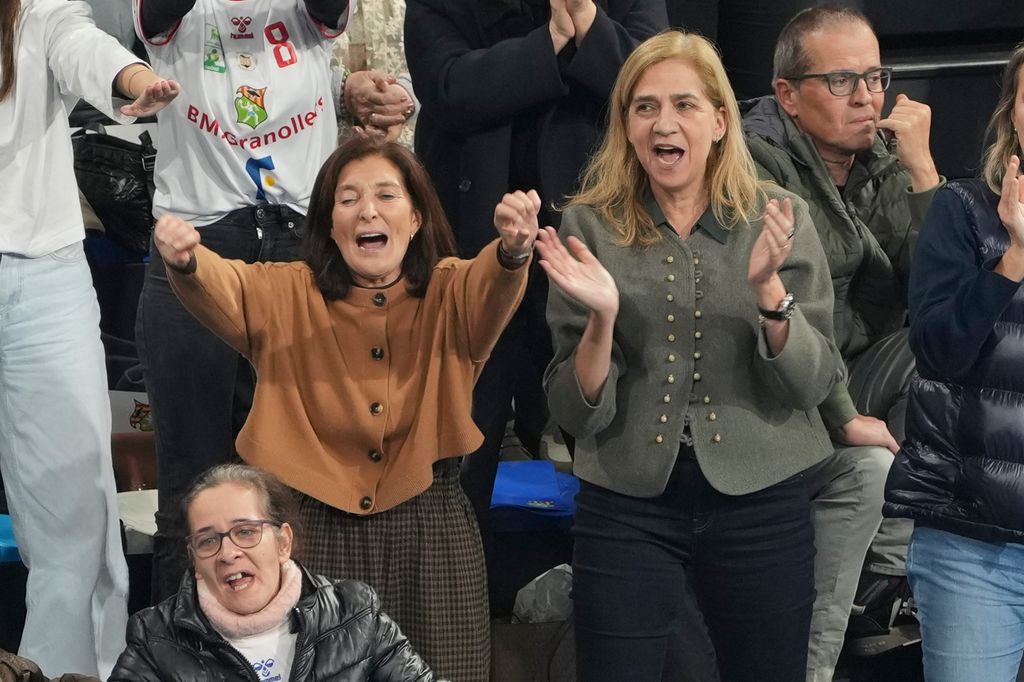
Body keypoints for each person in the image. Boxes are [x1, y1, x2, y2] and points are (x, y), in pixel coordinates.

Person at [147, 136, 535, 680]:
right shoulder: (288, 291)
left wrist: (513, 251)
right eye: (348, 199)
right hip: (314, 530)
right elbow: (229, 286)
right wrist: (188, 261)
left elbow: (489, 282)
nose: (367, 211)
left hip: (431, 536)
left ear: (417, 217)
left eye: (386, 195)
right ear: (330, 225)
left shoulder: (450, 290)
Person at [539, 30, 841, 681]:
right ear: (626, 126)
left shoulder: (780, 215)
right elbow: (575, 412)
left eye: (684, 104)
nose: (663, 123)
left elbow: (812, 384)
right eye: (644, 107)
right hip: (627, 499)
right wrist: (602, 319)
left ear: (721, 121)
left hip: (762, 495)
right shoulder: (589, 226)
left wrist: (769, 293)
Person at [405, 0, 666, 562]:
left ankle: (613, 586)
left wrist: (589, 24)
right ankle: (458, 598)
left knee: (608, 440)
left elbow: (653, 85)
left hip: (597, 248)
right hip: (471, 255)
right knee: (458, 455)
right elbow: (448, 86)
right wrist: (550, 44)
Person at [739, 6, 944, 676]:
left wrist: (923, 174)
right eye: (842, 81)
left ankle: (885, 580)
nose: (866, 97)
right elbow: (791, 312)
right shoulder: (749, 170)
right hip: (778, 383)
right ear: (788, 95)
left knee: (952, 339)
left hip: (856, 379)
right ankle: (883, 578)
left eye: (876, 77)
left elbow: (943, 293)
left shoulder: (884, 161)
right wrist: (844, 413)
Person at [131, 0, 353, 602]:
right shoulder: (179, 15)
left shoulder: (305, 13)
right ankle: (180, 648)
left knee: (300, 483)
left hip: (302, 243)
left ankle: (301, 642)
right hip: (195, 243)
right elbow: (156, 16)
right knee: (191, 489)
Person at [0, 0, 178, 676]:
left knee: (75, 512)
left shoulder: (36, 10)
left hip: (42, 272)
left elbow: (80, 44)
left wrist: (135, 80)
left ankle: (69, 672)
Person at [884, 43, 1024, 682]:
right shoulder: (962, 211)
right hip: (973, 543)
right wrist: (1012, 262)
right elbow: (936, 350)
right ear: (1012, 112)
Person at [109, 464, 435, 681]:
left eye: (246, 532)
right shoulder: (155, 638)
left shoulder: (355, 612)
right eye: (207, 541)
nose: (228, 553)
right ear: (195, 561)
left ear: (283, 543)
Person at [331, 0, 418, 147]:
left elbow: (441, 54)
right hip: (318, 139)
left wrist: (404, 98)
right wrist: (341, 87)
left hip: (406, 143)